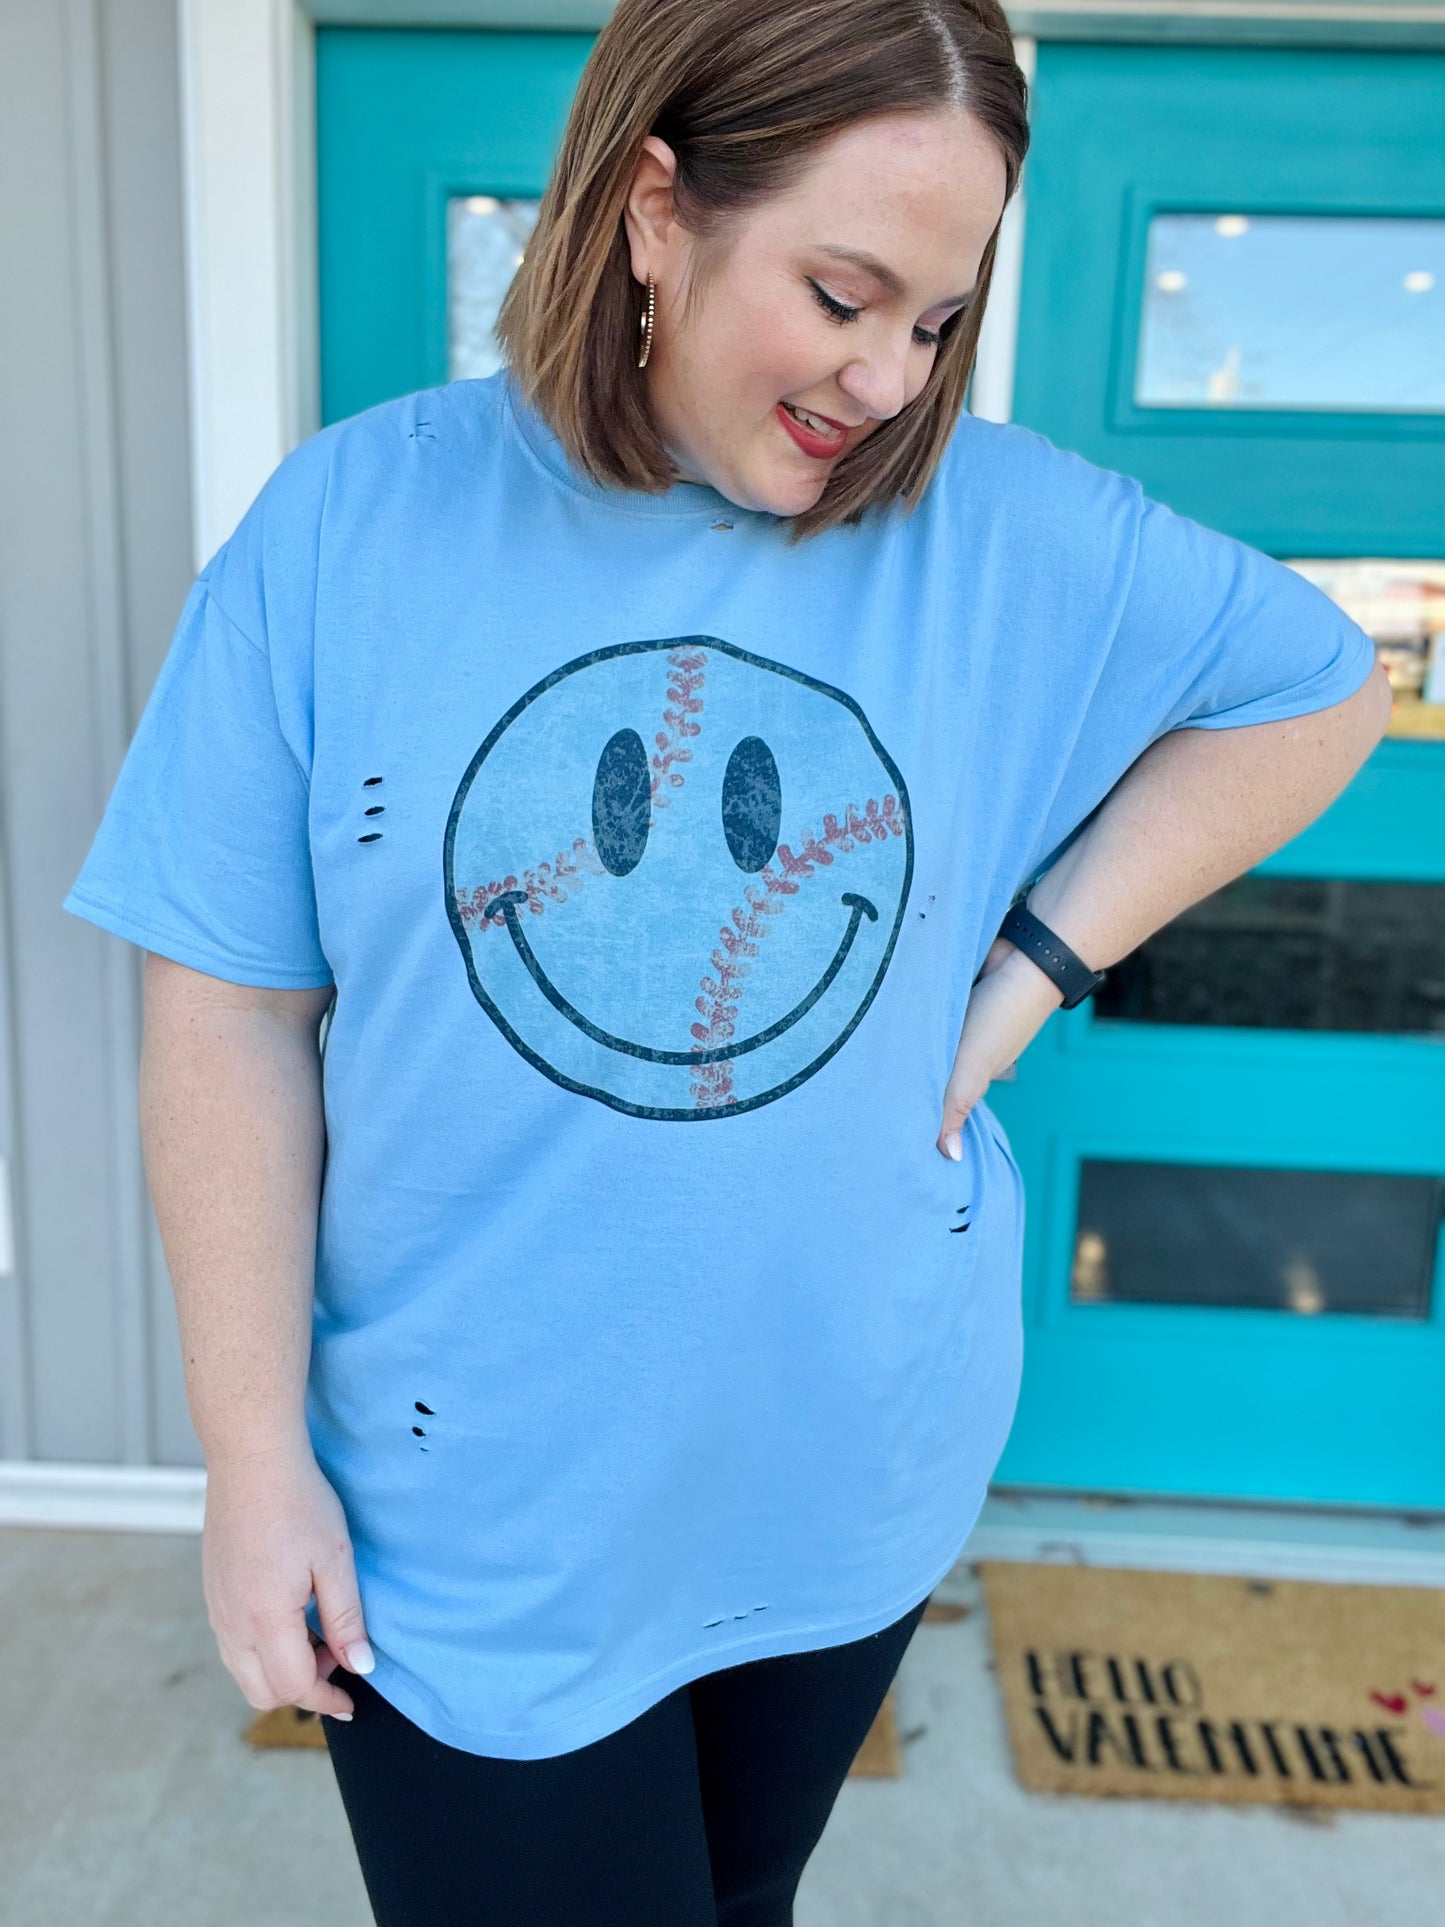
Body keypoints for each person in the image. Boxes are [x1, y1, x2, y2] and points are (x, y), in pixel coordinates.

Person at [64, 0, 1391, 1920]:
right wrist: (252, 1458)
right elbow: (227, 1014)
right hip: (473, 1505)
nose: (883, 379)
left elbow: (1316, 692)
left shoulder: (1000, 527)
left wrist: (1022, 976)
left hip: (849, 1462)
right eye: (841, 292)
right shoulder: (348, 526)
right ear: (656, 208)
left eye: (935, 320)